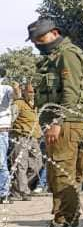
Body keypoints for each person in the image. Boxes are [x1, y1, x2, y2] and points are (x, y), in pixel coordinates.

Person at [27, 18, 83, 227]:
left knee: (64, 176)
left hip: (66, 123)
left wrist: (58, 122)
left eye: (40, 39)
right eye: (34, 41)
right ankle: (59, 223)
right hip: (54, 124)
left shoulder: (68, 54)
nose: (37, 44)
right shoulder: (51, 58)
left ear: (54, 33)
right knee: (54, 176)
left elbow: (72, 93)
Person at [10, 83, 42, 201]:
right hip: (21, 137)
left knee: (38, 164)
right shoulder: (18, 103)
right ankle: (23, 191)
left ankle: (16, 187)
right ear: (23, 92)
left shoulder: (34, 105)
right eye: (29, 92)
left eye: (33, 92)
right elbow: (11, 118)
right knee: (21, 165)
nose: (32, 94)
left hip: (33, 139)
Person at [0, 69, 13, 204]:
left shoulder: (5, 88)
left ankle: (4, 193)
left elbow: (14, 95)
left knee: (1, 162)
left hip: (1, 130)